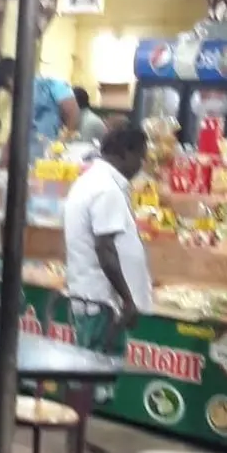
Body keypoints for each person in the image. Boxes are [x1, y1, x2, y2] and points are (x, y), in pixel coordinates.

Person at [63, 121, 152, 329]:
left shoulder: (92, 180)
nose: (141, 165)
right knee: (100, 351)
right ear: (126, 153)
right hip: (102, 306)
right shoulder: (106, 189)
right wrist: (128, 300)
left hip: (93, 301)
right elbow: (105, 250)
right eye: (140, 157)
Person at [0, 57, 79, 160]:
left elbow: (72, 112)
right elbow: (16, 128)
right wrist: (5, 157)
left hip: (52, 152)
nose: (9, 91)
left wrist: (61, 143)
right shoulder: (18, 98)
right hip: (28, 155)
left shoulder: (51, 86)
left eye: (7, 86)